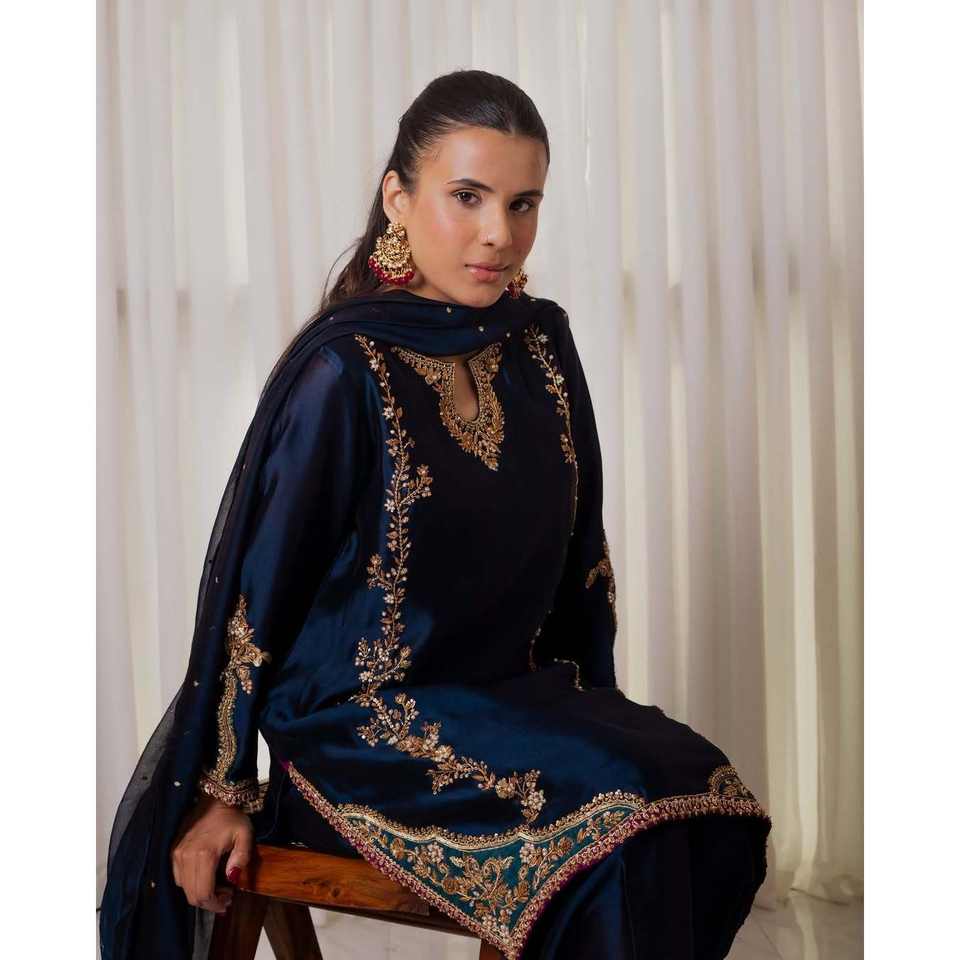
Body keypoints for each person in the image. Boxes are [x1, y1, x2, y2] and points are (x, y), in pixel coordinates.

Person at [99, 69, 771, 960]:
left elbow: (582, 564)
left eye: (523, 204)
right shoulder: (343, 371)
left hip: (511, 702)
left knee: (701, 793)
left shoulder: (540, 347)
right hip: (359, 736)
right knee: (615, 818)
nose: (500, 234)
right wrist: (221, 790)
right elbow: (255, 600)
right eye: (467, 197)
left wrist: (590, 711)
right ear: (398, 200)